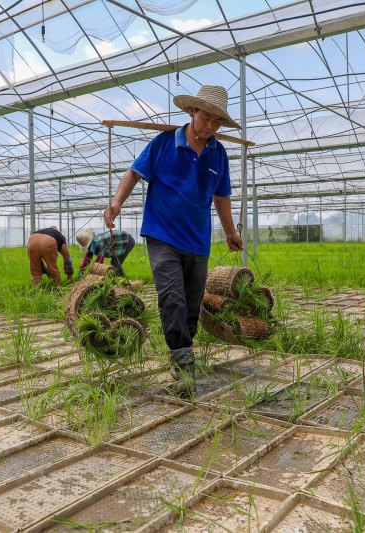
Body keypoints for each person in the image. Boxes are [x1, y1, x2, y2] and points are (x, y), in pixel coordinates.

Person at [103, 85, 243, 397]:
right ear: (193, 112)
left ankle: (184, 348)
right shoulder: (164, 143)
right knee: (172, 297)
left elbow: (221, 197)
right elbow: (134, 174)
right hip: (162, 234)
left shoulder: (218, 154)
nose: (210, 126)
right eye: (206, 118)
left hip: (197, 239)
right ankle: (183, 366)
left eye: (217, 122)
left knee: (191, 303)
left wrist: (231, 232)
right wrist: (116, 203)